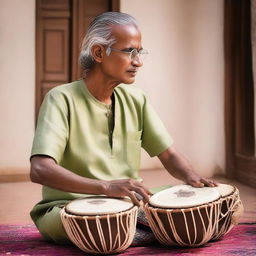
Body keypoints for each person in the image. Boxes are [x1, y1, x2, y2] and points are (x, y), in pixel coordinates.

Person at [30, 12, 217, 245]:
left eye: (139, 52)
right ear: (99, 52)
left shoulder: (137, 99)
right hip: (67, 210)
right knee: (102, 229)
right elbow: (40, 169)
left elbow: (168, 154)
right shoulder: (60, 99)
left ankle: (134, 231)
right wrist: (106, 187)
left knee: (196, 206)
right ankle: (144, 231)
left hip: (128, 204)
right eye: (130, 51)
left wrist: (194, 178)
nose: (138, 62)